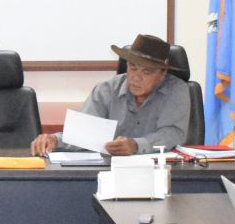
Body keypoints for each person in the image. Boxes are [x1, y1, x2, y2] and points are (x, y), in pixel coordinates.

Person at [30, 34, 190, 157]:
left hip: (161, 171)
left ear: (162, 74)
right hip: (110, 171)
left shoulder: (176, 90)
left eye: (146, 72)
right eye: (133, 68)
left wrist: (136, 145)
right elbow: (84, 134)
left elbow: (172, 134)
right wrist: (55, 140)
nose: (136, 77)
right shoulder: (106, 90)